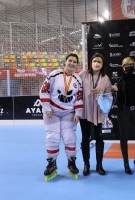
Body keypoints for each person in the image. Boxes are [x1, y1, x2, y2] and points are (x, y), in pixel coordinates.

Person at [39, 53, 83, 181]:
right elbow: (44, 91)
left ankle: (71, 162)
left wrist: (78, 113)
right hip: (51, 112)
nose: (72, 63)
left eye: (74, 62)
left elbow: (79, 98)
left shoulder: (77, 79)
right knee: (53, 138)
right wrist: (47, 108)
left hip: (68, 113)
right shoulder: (54, 75)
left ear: (76, 64)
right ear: (65, 62)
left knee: (70, 138)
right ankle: (51, 163)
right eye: (70, 61)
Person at [111, 57, 135, 175]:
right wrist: (115, 90)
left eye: (131, 64)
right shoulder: (119, 81)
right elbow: (116, 100)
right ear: (122, 66)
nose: (129, 66)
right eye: (126, 64)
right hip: (123, 112)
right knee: (124, 138)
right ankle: (126, 163)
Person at [79, 53, 112, 176]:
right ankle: (86, 165)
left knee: (99, 139)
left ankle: (99, 165)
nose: (97, 64)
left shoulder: (106, 78)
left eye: (99, 62)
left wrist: (101, 93)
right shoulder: (83, 75)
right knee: (85, 139)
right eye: (94, 61)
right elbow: (76, 90)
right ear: (90, 63)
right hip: (85, 112)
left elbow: (109, 97)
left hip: (99, 112)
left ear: (102, 65)